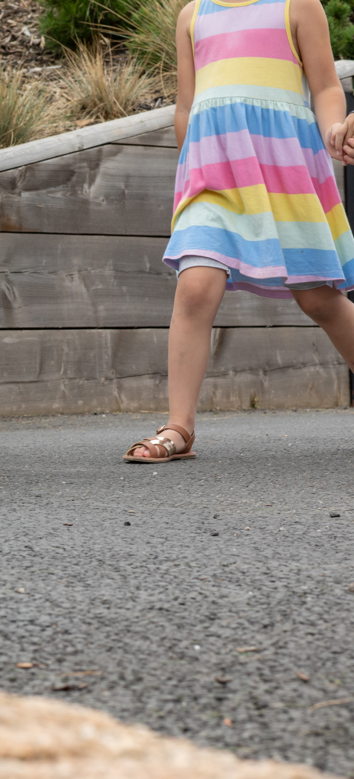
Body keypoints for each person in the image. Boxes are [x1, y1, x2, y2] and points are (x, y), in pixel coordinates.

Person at [125, 0, 354, 463]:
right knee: (195, 286)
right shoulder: (192, 15)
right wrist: (188, 167)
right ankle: (178, 427)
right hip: (212, 174)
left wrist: (334, 129)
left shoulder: (298, 5)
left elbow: (326, 85)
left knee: (319, 299)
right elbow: (186, 105)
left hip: (285, 171)